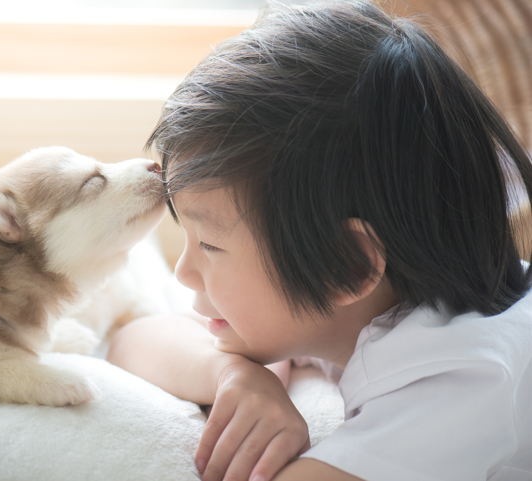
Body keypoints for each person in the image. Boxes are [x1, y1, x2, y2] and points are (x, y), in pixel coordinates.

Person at [106, 1, 532, 480]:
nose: (183, 272)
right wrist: (234, 376)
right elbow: (130, 341)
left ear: (347, 265)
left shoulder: (458, 382)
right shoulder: (370, 301)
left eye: (210, 246)